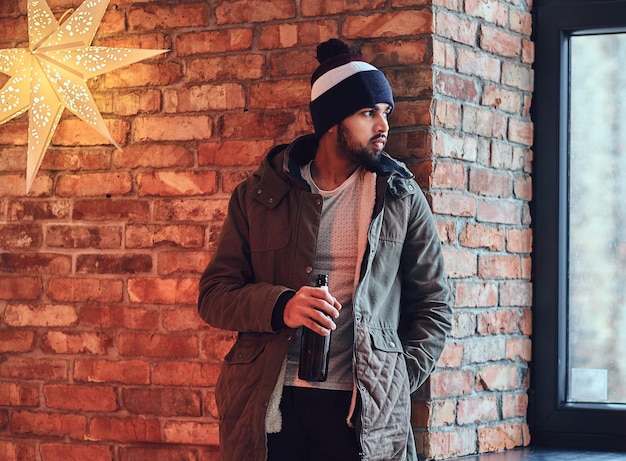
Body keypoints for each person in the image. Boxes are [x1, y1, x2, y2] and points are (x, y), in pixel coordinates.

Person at [197, 38, 452, 461]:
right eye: (368, 112)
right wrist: (282, 306)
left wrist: (395, 377)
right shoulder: (260, 195)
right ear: (332, 120)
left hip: (360, 414)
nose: (383, 125)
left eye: (385, 112)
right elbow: (214, 296)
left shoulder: (400, 197)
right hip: (272, 405)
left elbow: (434, 305)